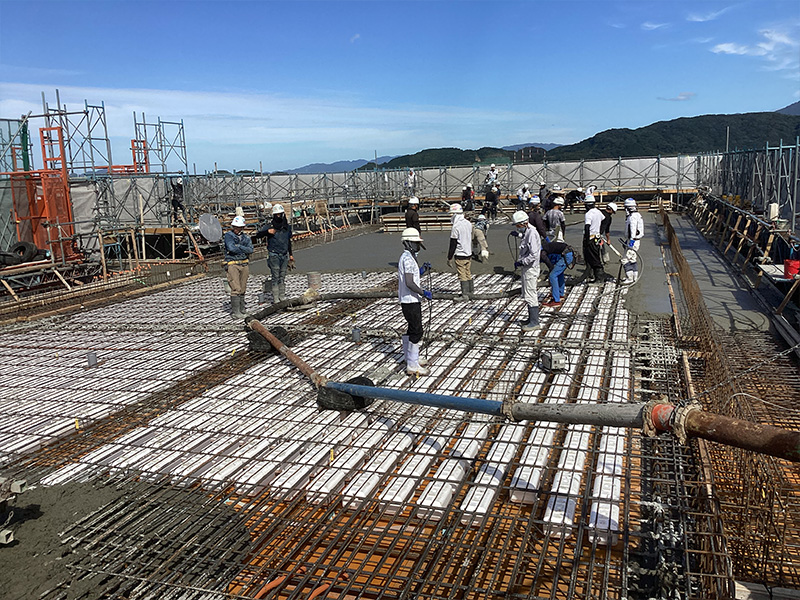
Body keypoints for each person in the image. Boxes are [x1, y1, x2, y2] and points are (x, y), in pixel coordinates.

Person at [398, 227, 432, 376]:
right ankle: (412, 365)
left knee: (412, 329)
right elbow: (409, 283)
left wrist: (422, 270)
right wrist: (423, 292)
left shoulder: (408, 257)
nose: (418, 246)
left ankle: (410, 357)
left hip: (409, 299)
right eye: (416, 243)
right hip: (410, 300)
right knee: (417, 331)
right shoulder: (407, 259)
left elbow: (413, 275)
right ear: (409, 243)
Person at [511, 211, 542, 332]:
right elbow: (526, 241)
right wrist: (518, 235)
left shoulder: (532, 233)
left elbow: (534, 254)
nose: (518, 228)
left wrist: (522, 262)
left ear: (524, 223)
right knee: (527, 293)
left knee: (530, 294)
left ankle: (534, 322)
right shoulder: (528, 231)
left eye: (518, 226)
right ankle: (530, 319)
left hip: (531, 268)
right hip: (527, 268)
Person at [224, 215, 253, 319]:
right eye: (235, 227)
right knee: (236, 288)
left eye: (239, 227)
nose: (236, 229)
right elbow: (231, 248)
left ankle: (242, 309)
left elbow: (251, 250)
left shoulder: (246, 237)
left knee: (243, 288)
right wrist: (243, 249)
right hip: (233, 264)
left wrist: (239, 246)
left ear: (242, 227)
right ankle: (236, 312)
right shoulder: (229, 236)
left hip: (244, 263)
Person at [265, 204, 294, 302]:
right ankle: (276, 299)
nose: (278, 216)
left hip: (284, 254)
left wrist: (291, 255)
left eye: (280, 214)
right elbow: (258, 234)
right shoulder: (270, 226)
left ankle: (282, 297)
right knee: (275, 277)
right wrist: (267, 232)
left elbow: (288, 241)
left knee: (282, 277)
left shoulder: (286, 227)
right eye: (276, 215)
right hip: (274, 255)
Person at [447, 203, 473, 301]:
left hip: (460, 254)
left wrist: (449, 257)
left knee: (462, 275)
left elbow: (453, 243)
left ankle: (465, 295)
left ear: (455, 214)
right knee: (468, 273)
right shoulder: (468, 223)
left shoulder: (456, 226)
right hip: (468, 253)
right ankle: (471, 292)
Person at [541, 237, 574, 307]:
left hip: (566, 255)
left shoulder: (542, 252)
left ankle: (556, 301)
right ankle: (560, 294)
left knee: (553, 276)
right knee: (559, 274)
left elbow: (545, 259)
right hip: (567, 253)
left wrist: (551, 269)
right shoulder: (546, 247)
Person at [582, 195, 606, 284]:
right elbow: (604, 220)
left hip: (591, 238)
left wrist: (587, 240)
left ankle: (599, 279)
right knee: (596, 256)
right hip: (597, 238)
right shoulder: (598, 212)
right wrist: (599, 230)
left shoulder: (588, 214)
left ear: (587, 205)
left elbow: (587, 227)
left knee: (593, 258)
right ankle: (596, 277)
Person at [622, 198, 644, 284]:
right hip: (635, 240)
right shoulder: (637, 215)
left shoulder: (632, 217)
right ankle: (635, 277)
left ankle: (630, 278)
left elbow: (633, 229)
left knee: (625, 260)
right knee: (632, 259)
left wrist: (631, 241)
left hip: (633, 240)